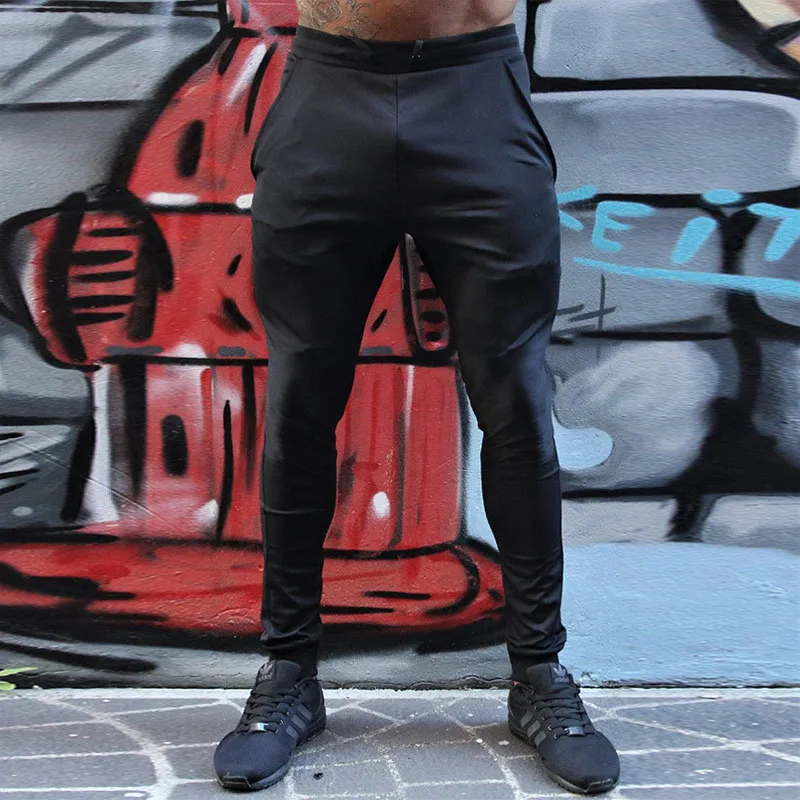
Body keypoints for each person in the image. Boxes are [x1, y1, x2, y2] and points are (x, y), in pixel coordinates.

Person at [214, 0, 620, 794]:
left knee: (515, 403)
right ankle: (289, 672)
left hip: (476, 92)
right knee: (300, 401)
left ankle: (538, 674)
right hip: (329, 93)